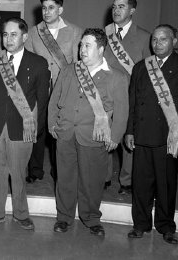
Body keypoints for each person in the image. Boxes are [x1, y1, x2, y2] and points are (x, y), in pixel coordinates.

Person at [126, 24, 178, 244]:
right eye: (154, 40)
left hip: (169, 137)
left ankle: (166, 226)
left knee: (166, 184)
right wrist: (130, 131)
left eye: (163, 39)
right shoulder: (141, 67)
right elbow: (133, 103)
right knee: (140, 184)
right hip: (142, 135)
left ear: (174, 42)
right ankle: (140, 224)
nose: (157, 44)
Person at [48, 28, 129, 236]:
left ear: (101, 49)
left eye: (87, 46)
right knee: (64, 179)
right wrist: (51, 124)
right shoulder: (69, 70)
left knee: (91, 182)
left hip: (95, 137)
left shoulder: (116, 77)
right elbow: (54, 99)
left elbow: (122, 111)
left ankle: (91, 218)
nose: (82, 50)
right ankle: (63, 217)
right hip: (65, 134)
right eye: (81, 45)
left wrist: (115, 136)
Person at [0, 17, 50, 231]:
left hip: (22, 127)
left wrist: (35, 129)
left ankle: (21, 214)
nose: (8, 39)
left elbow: (42, 99)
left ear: (25, 37)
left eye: (13, 34)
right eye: (5, 34)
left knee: (19, 172)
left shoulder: (38, 63)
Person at [25, 0, 84, 183]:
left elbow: (77, 63)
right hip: (39, 89)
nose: (46, 11)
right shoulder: (34, 32)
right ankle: (35, 170)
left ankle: (59, 170)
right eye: (43, 8)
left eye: (51, 7)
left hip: (64, 89)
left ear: (60, 9)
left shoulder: (75, 31)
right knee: (37, 128)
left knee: (60, 131)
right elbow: (29, 61)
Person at [103, 0, 151, 194]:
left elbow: (149, 71)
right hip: (105, 95)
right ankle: (103, 177)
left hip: (131, 96)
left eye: (121, 6)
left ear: (132, 10)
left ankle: (127, 180)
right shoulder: (104, 34)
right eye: (114, 6)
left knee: (127, 139)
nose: (116, 10)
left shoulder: (145, 37)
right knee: (103, 136)